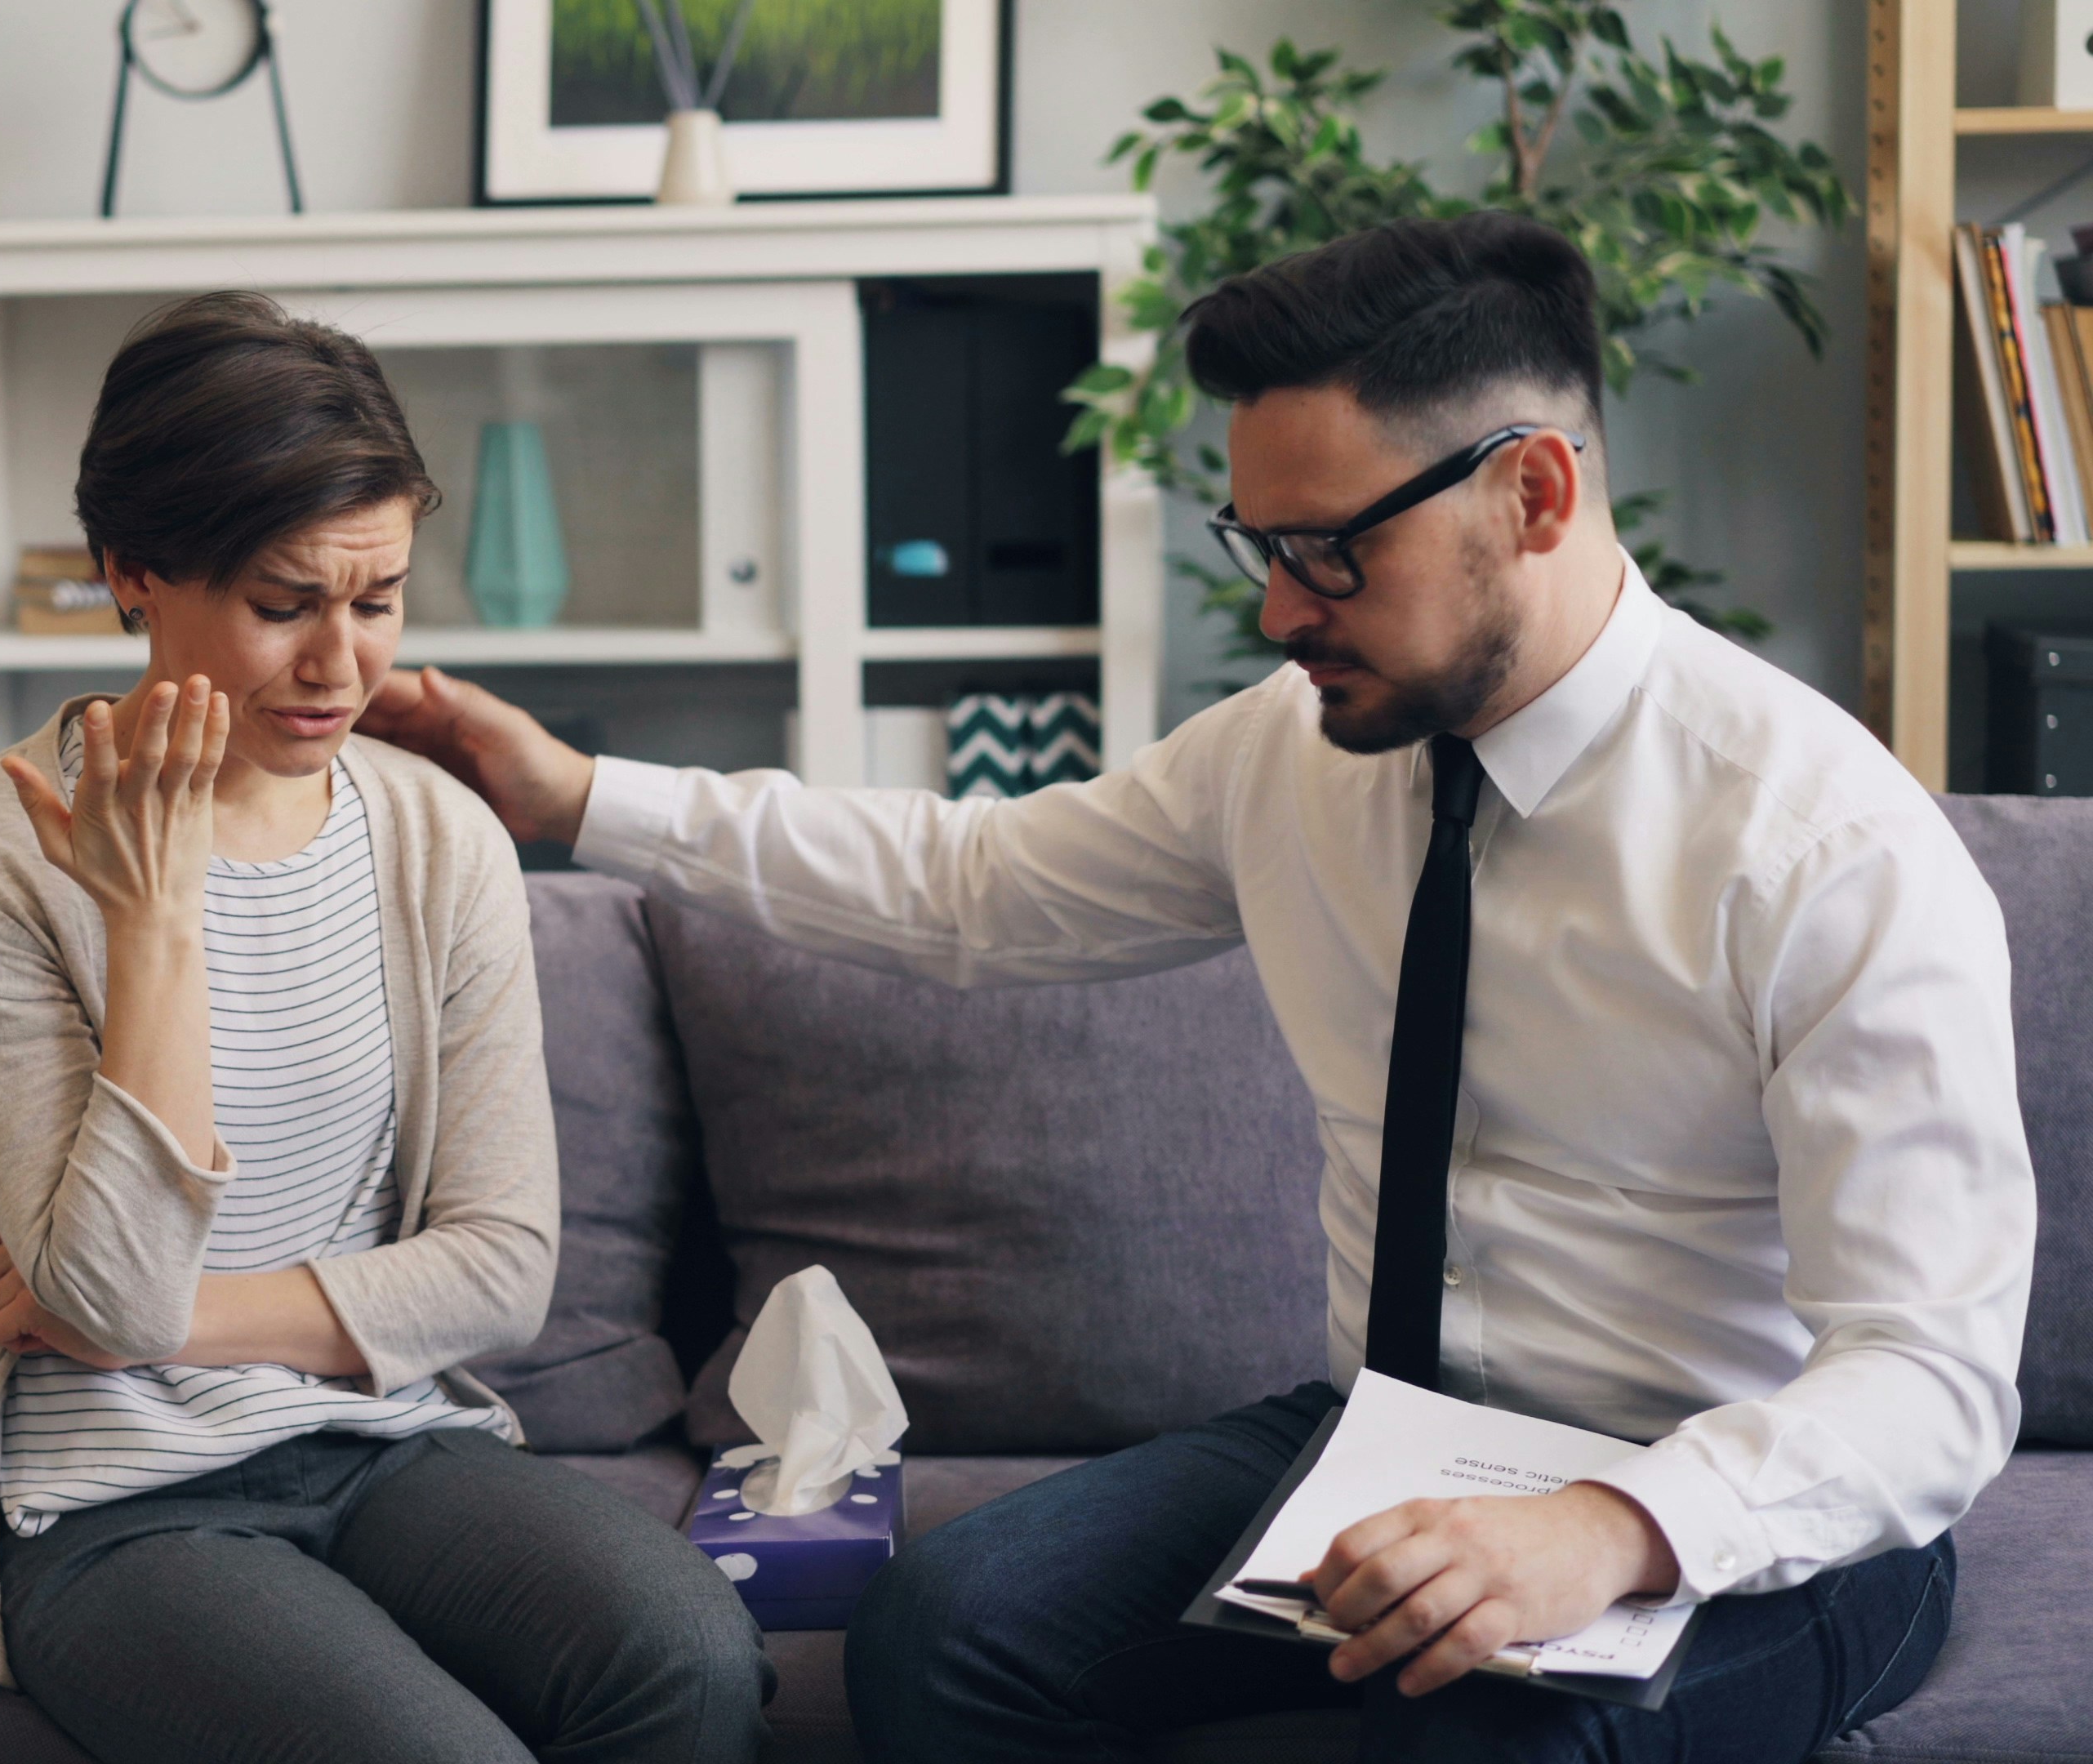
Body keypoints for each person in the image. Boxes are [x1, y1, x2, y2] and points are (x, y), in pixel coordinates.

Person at [358, 214, 2033, 1761]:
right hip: (1387, 1440)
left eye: (1329, 552)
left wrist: (1611, 1529)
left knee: (1498, 1743)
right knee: (943, 1633)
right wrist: (575, 798)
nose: (1277, 611)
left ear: (1533, 494)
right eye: (1261, 542)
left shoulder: (1824, 852)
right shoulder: (1290, 760)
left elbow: (1930, 1382)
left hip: (1747, 1519)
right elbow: (972, 889)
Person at [0, 291, 773, 1764]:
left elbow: (503, 1269)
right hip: (115, 1500)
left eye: (377, 602)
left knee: (689, 1660)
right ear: (131, 573)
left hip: (384, 1440)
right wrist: (156, 922)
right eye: (284, 604)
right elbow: (101, 1298)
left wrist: (179, 1323)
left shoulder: (438, 838)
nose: (340, 666)